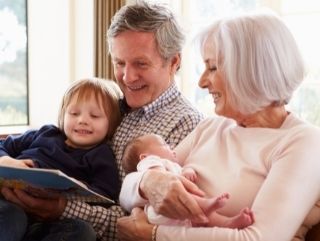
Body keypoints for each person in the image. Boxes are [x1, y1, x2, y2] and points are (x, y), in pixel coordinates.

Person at [0, 1, 203, 240]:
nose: (127, 77)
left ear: (174, 62)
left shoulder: (187, 126)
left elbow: (142, 225)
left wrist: (62, 209)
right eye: (119, 63)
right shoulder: (109, 102)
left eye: (141, 63)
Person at [117, 12, 320, 241]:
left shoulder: (303, 141)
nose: (202, 82)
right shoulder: (211, 128)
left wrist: (153, 234)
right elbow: (126, 192)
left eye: (212, 68)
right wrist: (148, 182)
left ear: (250, 71)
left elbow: (258, 238)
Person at [0, 77, 122, 241]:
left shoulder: (102, 156)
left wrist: (78, 188)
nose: (82, 120)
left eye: (94, 116)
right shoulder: (46, 133)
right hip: (7, 201)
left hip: (47, 221)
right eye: (74, 113)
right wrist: (6, 160)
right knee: (14, 217)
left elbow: (106, 197)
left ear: (111, 124)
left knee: (83, 231)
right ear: (63, 115)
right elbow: (4, 146)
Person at [121, 133, 254, 228]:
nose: (171, 148)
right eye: (164, 144)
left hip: (178, 219)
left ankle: (229, 223)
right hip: (159, 212)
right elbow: (160, 180)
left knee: (208, 218)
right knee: (186, 196)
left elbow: (182, 171)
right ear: (144, 156)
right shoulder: (151, 162)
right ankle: (206, 203)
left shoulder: (172, 165)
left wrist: (188, 171)